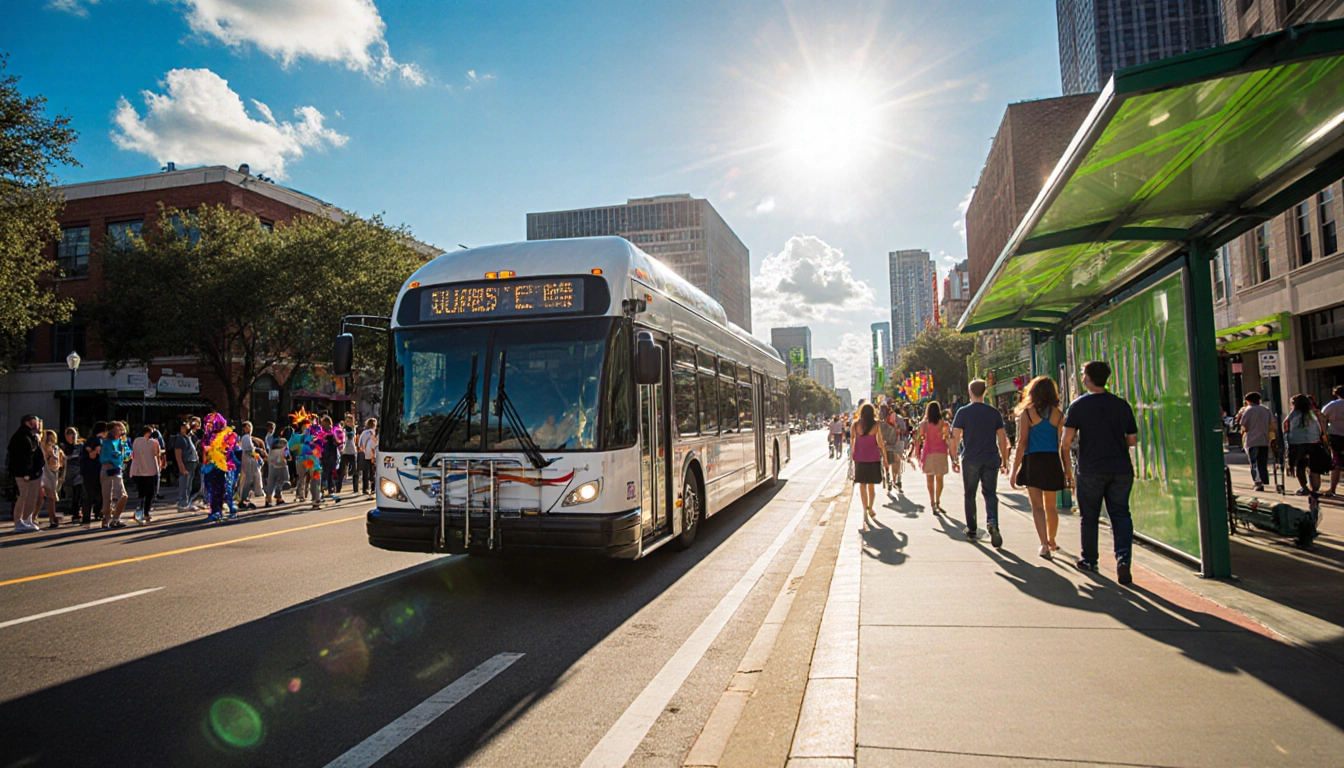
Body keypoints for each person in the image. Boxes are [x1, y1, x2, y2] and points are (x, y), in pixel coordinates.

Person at [1059, 361, 1137, 584]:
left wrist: (1068, 467)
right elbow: (1132, 440)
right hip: (1121, 468)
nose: (1082, 378)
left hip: (1090, 468)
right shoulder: (1122, 405)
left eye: (1083, 375)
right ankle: (1123, 559)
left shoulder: (1078, 406)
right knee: (1121, 514)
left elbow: (1066, 441)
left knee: (1089, 516)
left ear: (1089, 378)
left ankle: (1090, 559)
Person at [1008, 376, 1067, 559]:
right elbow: (1061, 444)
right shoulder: (1058, 415)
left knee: (1037, 506)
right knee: (1051, 506)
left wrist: (1014, 468)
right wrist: (1066, 470)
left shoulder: (1027, 414)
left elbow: (1022, 442)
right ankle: (1052, 539)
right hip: (1052, 461)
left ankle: (1043, 544)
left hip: (1033, 461)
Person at [950, 380, 1011, 547]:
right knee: (990, 493)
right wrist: (1005, 460)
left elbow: (955, 437)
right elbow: (1002, 438)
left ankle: (972, 529)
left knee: (970, 494)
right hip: (991, 458)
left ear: (970, 392)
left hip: (970, 458)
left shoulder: (963, 412)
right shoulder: (994, 413)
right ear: (985, 392)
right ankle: (993, 522)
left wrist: (953, 458)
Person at [1283, 393, 1331, 496]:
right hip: (1313, 442)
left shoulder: (1292, 414)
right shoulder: (1313, 413)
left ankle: (1304, 487)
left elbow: (1286, 428)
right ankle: (1315, 489)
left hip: (1296, 443)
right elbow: (1320, 427)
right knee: (1315, 466)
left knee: (1300, 465)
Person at [910, 401, 951, 513]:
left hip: (928, 453)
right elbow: (946, 437)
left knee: (929, 480)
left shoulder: (924, 424)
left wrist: (916, 453)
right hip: (941, 452)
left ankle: (932, 502)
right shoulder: (943, 423)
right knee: (940, 479)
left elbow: (919, 438)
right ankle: (938, 501)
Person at [851, 403, 888, 525]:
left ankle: (864, 508)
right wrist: (886, 459)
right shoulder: (876, 425)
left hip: (860, 458)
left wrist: (852, 457)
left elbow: (852, 442)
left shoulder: (855, 425)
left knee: (862, 485)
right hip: (873, 458)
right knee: (871, 486)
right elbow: (880, 442)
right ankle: (870, 507)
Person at [6, 415, 44, 532]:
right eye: (36, 422)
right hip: (23, 473)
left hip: (34, 473)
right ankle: (18, 521)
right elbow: (22, 457)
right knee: (23, 496)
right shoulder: (20, 436)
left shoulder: (33, 436)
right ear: (28, 423)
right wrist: (26, 472)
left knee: (32, 497)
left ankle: (27, 519)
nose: (38, 424)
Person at [200, 413, 238, 522]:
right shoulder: (207, 436)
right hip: (210, 467)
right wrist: (205, 458)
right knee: (211, 490)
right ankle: (215, 510)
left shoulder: (229, 435)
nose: (209, 426)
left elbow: (227, 449)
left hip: (224, 466)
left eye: (211, 423)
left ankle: (223, 510)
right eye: (207, 423)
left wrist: (212, 449)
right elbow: (204, 450)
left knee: (224, 489)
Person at [1236, 392, 1275, 493]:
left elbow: (1243, 424)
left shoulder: (1248, 410)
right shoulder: (1266, 410)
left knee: (1254, 463)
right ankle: (1264, 479)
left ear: (1248, 401)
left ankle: (1258, 483)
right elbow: (1272, 423)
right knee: (1262, 462)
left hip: (1252, 440)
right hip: (1264, 440)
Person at [99, 421, 132, 529]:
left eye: (122, 428)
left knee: (122, 495)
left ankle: (115, 518)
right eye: (119, 428)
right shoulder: (106, 442)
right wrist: (115, 458)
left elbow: (127, 455)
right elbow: (104, 458)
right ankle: (107, 519)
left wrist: (125, 454)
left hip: (117, 471)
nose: (122, 430)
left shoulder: (122, 442)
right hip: (108, 471)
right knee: (107, 497)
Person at [129, 425, 163, 524]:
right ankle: (145, 512)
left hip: (138, 470)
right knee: (150, 492)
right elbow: (157, 453)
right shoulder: (152, 442)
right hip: (150, 469)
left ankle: (140, 511)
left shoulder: (136, 441)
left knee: (142, 492)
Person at [80, 422, 106, 527]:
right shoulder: (94, 440)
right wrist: (96, 449)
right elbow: (91, 455)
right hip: (92, 469)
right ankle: (89, 515)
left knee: (95, 493)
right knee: (91, 494)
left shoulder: (97, 440)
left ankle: (93, 513)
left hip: (94, 469)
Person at [39, 429, 65, 529]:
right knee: (47, 497)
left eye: (53, 437)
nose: (51, 439)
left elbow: (58, 462)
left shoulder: (56, 448)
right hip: (44, 473)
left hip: (54, 473)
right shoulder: (44, 448)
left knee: (51, 497)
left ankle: (52, 517)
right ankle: (51, 517)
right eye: (49, 438)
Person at [1321, 385, 1344, 497]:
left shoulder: (1332, 405)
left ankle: (1332, 488)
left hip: (1336, 436)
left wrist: (1324, 432)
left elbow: (1322, 417)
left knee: (1336, 462)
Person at [237, 422, 264, 510]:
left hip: (250, 461)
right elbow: (248, 450)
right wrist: (256, 454)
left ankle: (246, 499)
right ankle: (243, 500)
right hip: (248, 461)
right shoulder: (245, 437)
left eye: (249, 427)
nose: (249, 428)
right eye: (247, 427)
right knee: (246, 480)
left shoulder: (248, 437)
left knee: (250, 480)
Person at [174, 420, 200, 512]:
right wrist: (181, 466)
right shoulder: (180, 438)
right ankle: (182, 504)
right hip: (186, 463)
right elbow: (178, 453)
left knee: (189, 484)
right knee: (184, 484)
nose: (187, 427)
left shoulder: (188, 437)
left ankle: (187, 502)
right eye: (184, 426)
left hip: (192, 462)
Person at [877, 404, 903, 494]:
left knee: (887, 463)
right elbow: (901, 430)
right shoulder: (895, 418)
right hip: (893, 444)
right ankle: (895, 479)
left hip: (884, 445)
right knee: (895, 462)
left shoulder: (879, 421)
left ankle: (890, 480)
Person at [61, 427, 84, 526]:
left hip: (78, 471)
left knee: (77, 491)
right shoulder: (63, 446)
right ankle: (70, 509)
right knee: (68, 493)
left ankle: (76, 512)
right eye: (69, 434)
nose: (72, 436)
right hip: (66, 472)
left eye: (74, 434)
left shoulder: (80, 446)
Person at [265, 428, 291, 507]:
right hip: (281, 464)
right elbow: (286, 453)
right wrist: (288, 458)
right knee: (282, 481)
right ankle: (278, 497)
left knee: (272, 482)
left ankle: (268, 499)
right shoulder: (284, 442)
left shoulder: (272, 442)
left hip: (272, 463)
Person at [319, 415, 343, 502]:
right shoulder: (333, 431)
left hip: (323, 454)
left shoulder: (321, 431)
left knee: (323, 473)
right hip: (332, 455)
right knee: (330, 473)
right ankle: (330, 489)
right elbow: (338, 442)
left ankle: (322, 490)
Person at [357, 418, 378, 498]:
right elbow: (377, 442)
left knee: (365, 471)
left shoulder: (364, 433)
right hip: (373, 454)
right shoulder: (374, 432)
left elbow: (360, 444)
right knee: (373, 471)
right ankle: (373, 488)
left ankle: (365, 488)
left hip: (365, 453)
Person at [339, 413, 359, 494]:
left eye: (350, 421)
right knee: (342, 471)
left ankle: (356, 488)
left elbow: (354, 440)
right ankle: (338, 488)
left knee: (355, 470)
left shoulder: (354, 429)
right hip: (345, 451)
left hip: (352, 451)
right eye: (347, 421)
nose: (349, 422)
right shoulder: (342, 430)